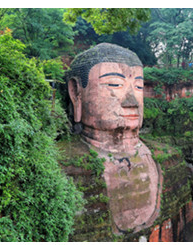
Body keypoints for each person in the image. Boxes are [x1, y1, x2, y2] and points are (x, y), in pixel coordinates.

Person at [66, 43, 162, 234]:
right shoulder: (65, 170)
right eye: (114, 84)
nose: (132, 101)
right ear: (76, 93)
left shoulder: (166, 158)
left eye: (138, 86)